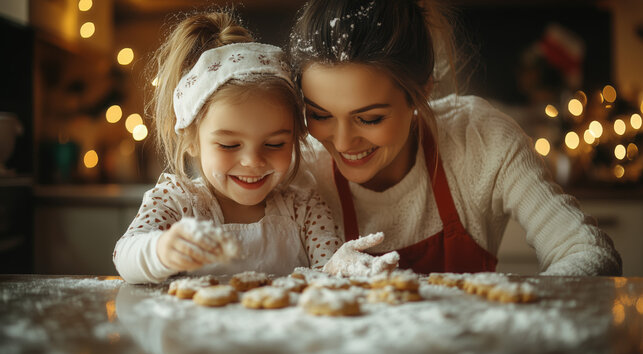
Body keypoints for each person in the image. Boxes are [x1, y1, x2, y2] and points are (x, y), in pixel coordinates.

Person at [287, 0, 622, 276]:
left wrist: (516, 314)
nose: (343, 142)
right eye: (319, 115)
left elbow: (588, 250)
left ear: (421, 93)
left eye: (369, 118)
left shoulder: (479, 140)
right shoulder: (302, 169)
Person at [113, 10, 398, 284]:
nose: (252, 161)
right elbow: (123, 255)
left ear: (297, 137)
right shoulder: (176, 202)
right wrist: (161, 250)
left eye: (274, 144)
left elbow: (326, 271)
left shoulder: (304, 208)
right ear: (190, 139)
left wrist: (339, 265)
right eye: (229, 145)